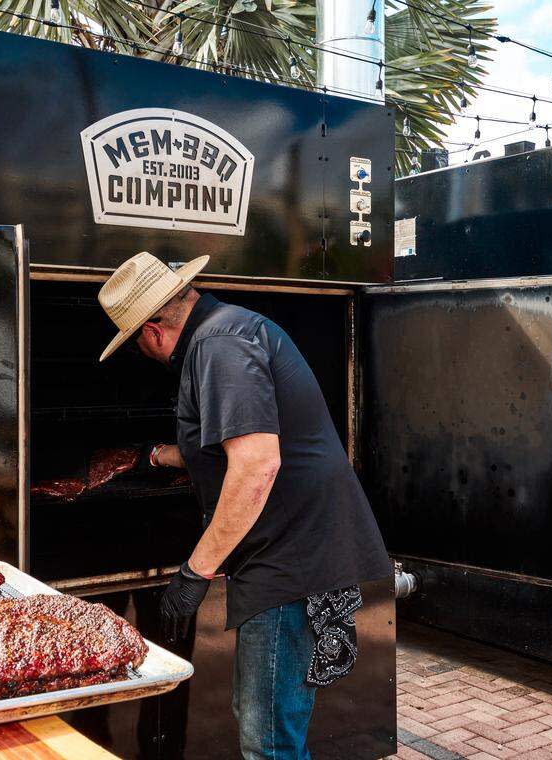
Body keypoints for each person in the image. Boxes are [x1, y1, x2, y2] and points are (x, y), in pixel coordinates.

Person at [97, 252, 391, 760]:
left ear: (152, 332)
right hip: (289, 551)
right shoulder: (227, 330)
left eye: (137, 346)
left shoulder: (219, 345)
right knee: (264, 717)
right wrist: (154, 456)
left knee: (267, 735)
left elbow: (257, 465)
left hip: (288, 560)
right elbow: (229, 441)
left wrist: (195, 571)